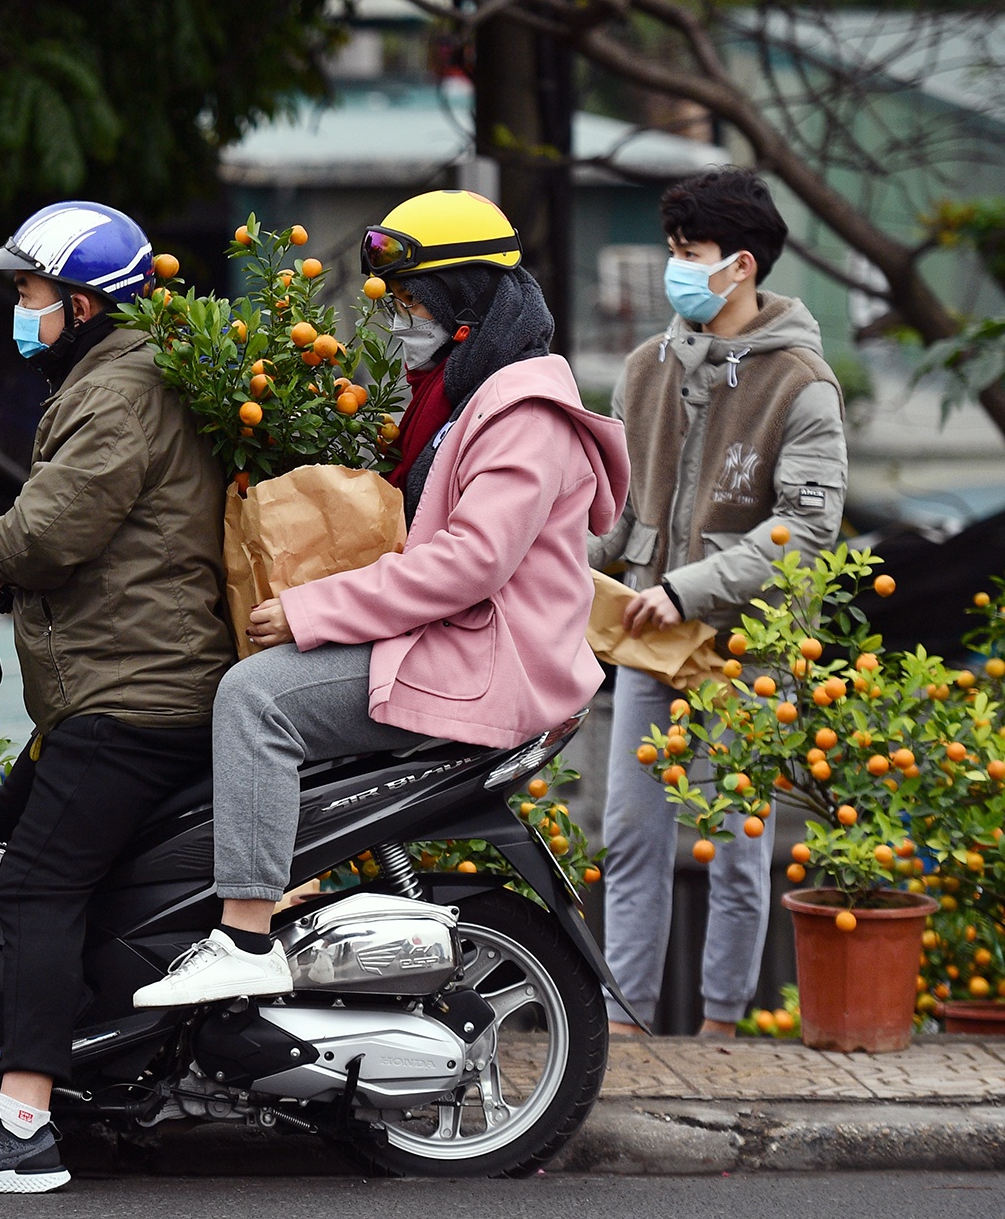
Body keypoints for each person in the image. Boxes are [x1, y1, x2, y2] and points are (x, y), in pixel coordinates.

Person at [135, 190, 629, 1008]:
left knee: (256, 700)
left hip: (483, 659)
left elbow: (469, 563)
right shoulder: (462, 392)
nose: (399, 320)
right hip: (459, 638)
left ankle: (246, 933)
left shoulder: (525, 416)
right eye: (394, 303)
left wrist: (313, 608)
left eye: (411, 303)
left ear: (467, 302)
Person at [0, 201, 236, 1195]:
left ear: (82, 303)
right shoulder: (111, 373)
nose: (20, 309)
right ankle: (83, 1059)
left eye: (30, 293)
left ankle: (24, 1124)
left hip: (135, 692)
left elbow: (53, 526)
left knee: (36, 883)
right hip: (105, 685)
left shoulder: (120, 388)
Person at [590, 167, 846, 1036]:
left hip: (754, 648)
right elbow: (619, 514)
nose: (675, 269)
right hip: (648, 639)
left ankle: (723, 1030)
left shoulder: (803, 385)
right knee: (630, 835)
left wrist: (685, 587)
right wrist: (560, 563)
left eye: (688, 254)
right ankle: (624, 1026)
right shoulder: (643, 369)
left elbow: (803, 535)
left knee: (739, 846)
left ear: (740, 265)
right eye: (672, 252)